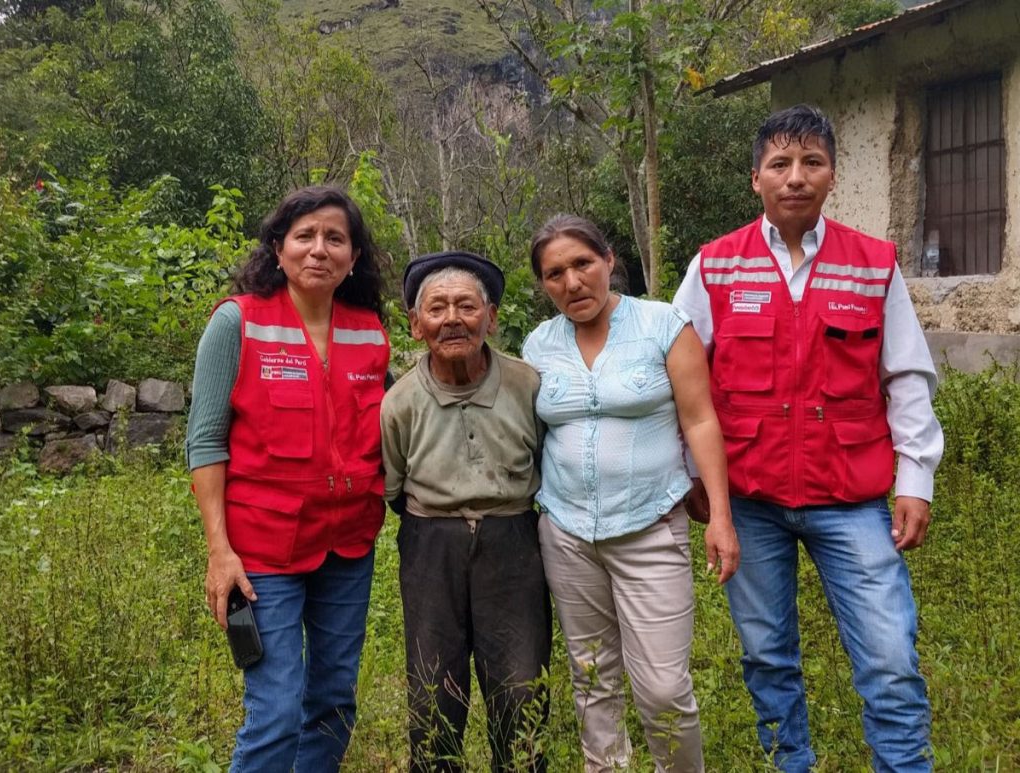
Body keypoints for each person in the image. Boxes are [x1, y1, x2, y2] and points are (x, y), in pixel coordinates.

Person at [673, 104, 944, 772]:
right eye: (780, 164)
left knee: (890, 656)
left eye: (811, 162)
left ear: (832, 175)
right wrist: (695, 478)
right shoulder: (715, 267)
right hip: (750, 499)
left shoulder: (873, 264)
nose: (795, 176)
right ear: (756, 179)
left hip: (850, 498)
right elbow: (680, 379)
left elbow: (907, 375)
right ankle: (789, 763)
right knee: (767, 655)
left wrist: (916, 479)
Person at [522, 215, 740, 773]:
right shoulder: (539, 344)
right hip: (567, 533)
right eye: (554, 273)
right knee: (592, 674)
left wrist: (720, 515)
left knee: (664, 686)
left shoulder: (663, 324)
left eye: (582, 264)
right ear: (543, 283)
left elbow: (700, 421)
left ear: (609, 260)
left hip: (650, 527)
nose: (572, 282)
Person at [187, 186, 389, 771]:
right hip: (263, 553)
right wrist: (219, 552)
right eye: (305, 236)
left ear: (353, 256)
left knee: (333, 701)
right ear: (278, 248)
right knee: (275, 711)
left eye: (335, 238)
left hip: (347, 546)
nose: (319, 249)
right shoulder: (238, 322)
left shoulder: (369, 331)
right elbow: (205, 442)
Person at [380, 251, 551, 772]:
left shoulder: (527, 384)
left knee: (521, 684)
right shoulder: (400, 401)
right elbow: (393, 484)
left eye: (466, 306)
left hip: (513, 539)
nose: (452, 319)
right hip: (430, 542)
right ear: (416, 325)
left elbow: (547, 457)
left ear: (491, 318)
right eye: (437, 308)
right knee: (433, 684)